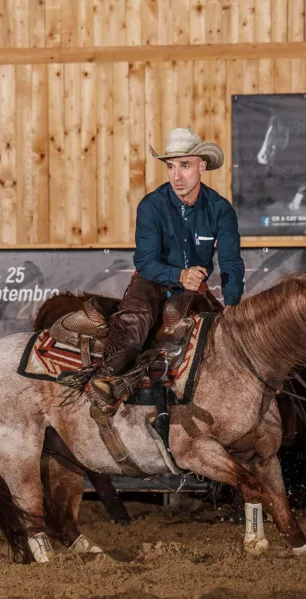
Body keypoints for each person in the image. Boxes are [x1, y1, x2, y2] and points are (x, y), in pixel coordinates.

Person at [85, 127, 245, 412]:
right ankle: (105, 379)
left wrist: (232, 303)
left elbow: (231, 261)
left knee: (222, 333)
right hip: (152, 280)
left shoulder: (220, 209)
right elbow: (145, 262)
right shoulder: (152, 206)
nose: (176, 175)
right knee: (138, 320)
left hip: (194, 288)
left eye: (185, 166)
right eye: (171, 166)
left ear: (201, 166)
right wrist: (179, 275)